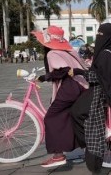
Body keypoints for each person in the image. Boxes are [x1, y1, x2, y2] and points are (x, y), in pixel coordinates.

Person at [70, 23, 111, 173]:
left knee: (76, 112)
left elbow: (99, 77)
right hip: (110, 90)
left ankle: (92, 142)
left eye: (101, 34)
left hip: (100, 92)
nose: (98, 37)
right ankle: (107, 144)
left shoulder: (105, 54)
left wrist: (80, 72)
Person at [32, 26, 89, 168]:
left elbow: (62, 71)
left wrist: (44, 77)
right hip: (82, 85)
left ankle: (58, 155)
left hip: (70, 87)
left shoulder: (52, 54)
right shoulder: (68, 51)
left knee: (51, 117)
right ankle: (83, 148)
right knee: (69, 117)